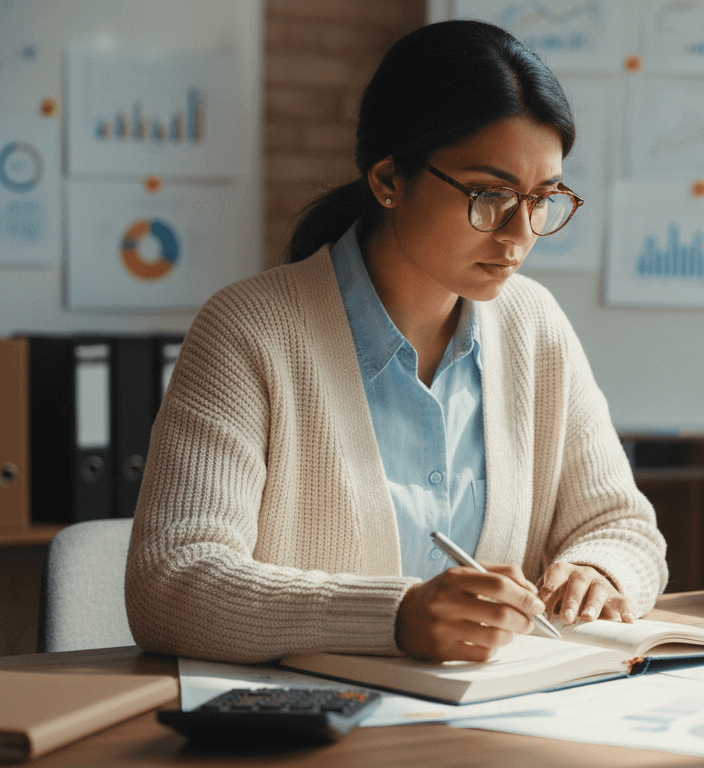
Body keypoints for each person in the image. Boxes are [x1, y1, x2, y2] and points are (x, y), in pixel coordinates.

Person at [125, 20, 668, 665]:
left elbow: (622, 526)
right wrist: (395, 617)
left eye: (543, 199)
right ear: (388, 179)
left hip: (493, 722)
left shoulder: (534, 326)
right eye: (490, 196)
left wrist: (598, 569)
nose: (519, 234)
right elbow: (172, 581)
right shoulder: (249, 332)